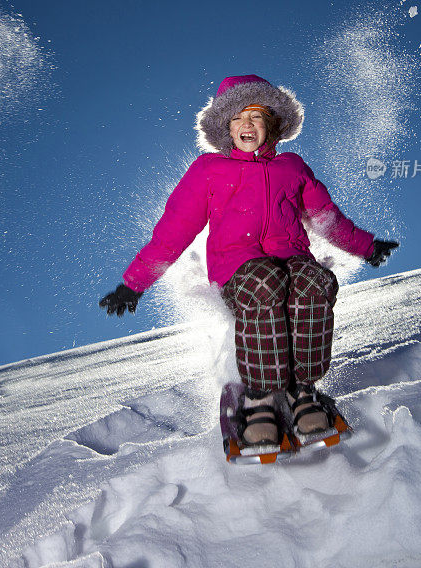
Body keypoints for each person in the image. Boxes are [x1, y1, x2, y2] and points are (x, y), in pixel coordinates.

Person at [100, 74, 398, 447]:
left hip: (292, 262)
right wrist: (133, 284)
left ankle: (301, 390)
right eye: (238, 117)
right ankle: (261, 397)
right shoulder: (209, 170)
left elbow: (327, 219)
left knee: (315, 280)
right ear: (226, 127)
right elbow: (172, 232)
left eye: (256, 116)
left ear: (271, 123)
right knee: (264, 280)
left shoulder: (292, 167)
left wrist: (366, 246)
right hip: (239, 273)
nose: (247, 124)